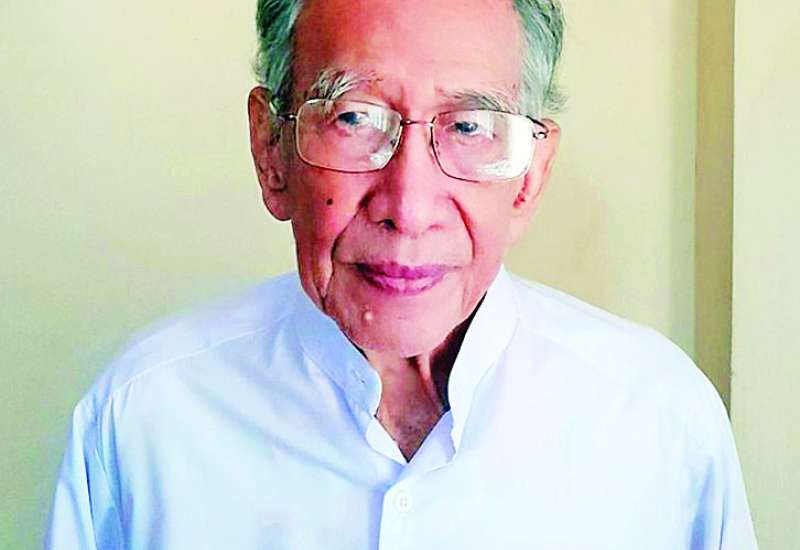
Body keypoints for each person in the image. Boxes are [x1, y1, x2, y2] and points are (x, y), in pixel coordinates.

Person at [45, 0, 758, 548]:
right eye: (355, 118)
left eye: (470, 126)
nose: (409, 208)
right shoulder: (143, 418)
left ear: (531, 176)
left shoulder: (659, 423)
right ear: (271, 150)